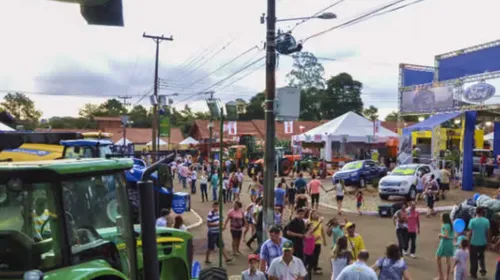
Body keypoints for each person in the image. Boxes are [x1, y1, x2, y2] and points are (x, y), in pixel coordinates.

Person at [467, 207, 490, 278]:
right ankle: (483, 269)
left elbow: (470, 233)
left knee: (473, 259)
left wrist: (468, 242)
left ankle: (473, 273)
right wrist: (488, 242)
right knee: (481, 256)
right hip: (483, 242)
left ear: (476, 212)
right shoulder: (486, 221)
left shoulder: (472, 221)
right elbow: (488, 233)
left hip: (474, 243)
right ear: (482, 212)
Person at [435, 212, 454, 280]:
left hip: (444, 243)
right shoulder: (450, 225)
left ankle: (440, 275)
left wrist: (440, 235)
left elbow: (446, 236)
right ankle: (447, 277)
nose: (440, 218)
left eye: (441, 216)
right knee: (448, 260)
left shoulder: (445, 225)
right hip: (449, 243)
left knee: (437, 257)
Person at [309, 210, 327, 275]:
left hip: (318, 242)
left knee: (317, 255)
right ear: (311, 215)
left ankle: (315, 268)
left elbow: (322, 231)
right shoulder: (310, 222)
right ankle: (311, 266)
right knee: (312, 255)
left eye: (317, 214)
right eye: (314, 214)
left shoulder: (319, 223)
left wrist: (324, 240)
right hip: (311, 241)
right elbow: (312, 231)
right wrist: (319, 222)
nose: (316, 215)